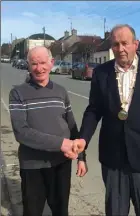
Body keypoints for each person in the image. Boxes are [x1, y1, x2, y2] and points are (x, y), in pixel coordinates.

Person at [77, 24, 140, 216]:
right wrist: (83, 140)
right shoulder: (101, 73)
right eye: (115, 44)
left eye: (125, 43)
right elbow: (94, 110)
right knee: (115, 211)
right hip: (113, 158)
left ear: (135, 44)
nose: (120, 49)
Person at [9, 46, 87, 216]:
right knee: (32, 211)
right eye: (34, 64)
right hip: (32, 166)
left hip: (61, 164)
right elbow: (21, 132)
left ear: (51, 63)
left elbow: (72, 126)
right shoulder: (17, 93)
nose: (39, 68)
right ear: (28, 65)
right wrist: (61, 144)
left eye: (43, 63)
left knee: (61, 210)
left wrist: (81, 157)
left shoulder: (61, 91)